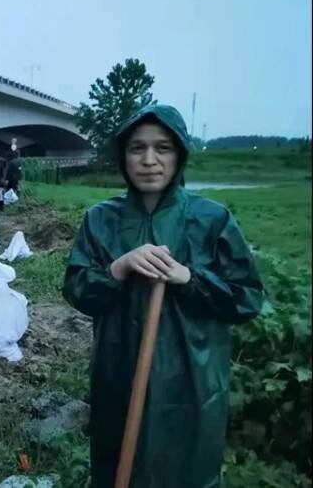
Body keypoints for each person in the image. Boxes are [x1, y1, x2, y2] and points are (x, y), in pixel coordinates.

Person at [62, 105, 264, 487]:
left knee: (183, 471)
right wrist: (118, 269)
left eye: (163, 148)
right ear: (123, 156)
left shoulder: (211, 219)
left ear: (180, 155)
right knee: (117, 462)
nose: (149, 160)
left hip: (190, 378)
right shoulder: (101, 220)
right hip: (118, 370)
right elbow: (78, 290)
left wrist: (189, 278)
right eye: (137, 148)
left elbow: (247, 298)